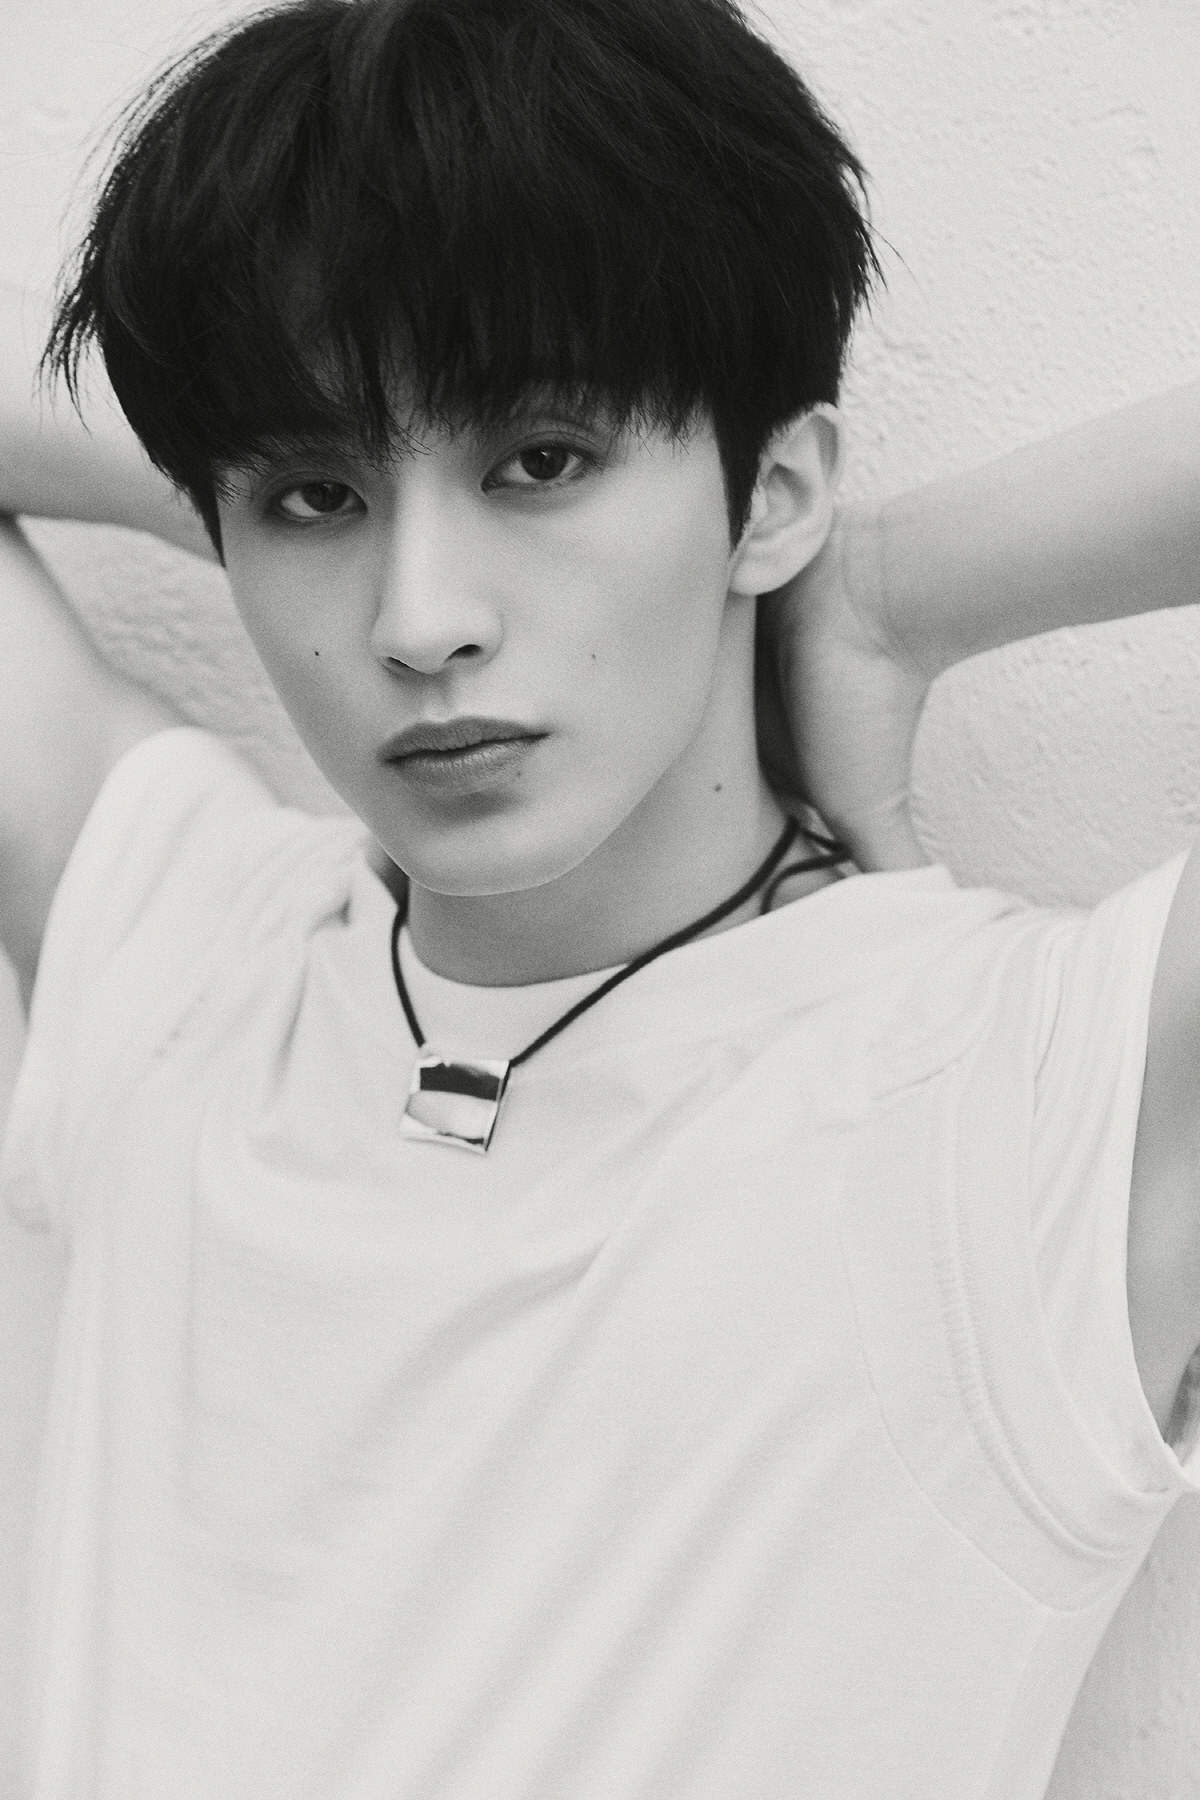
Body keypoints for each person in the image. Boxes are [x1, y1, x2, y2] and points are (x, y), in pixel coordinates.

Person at [1, 0, 1199, 1794]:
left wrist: (891, 592)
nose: (421, 622)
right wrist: (237, 472)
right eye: (319, 503)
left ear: (771, 486)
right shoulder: (185, 952)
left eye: (540, 462)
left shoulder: (1024, 1101)